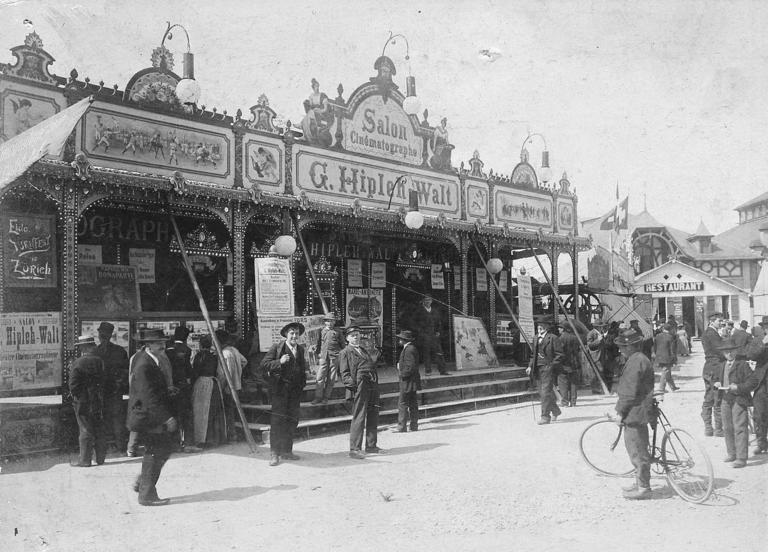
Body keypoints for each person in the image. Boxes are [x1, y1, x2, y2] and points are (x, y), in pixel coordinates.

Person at [127, 328, 177, 506]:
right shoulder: (144, 364)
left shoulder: (149, 360)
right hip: (149, 417)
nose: (162, 345)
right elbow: (148, 397)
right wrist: (167, 418)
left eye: (163, 342)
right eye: (158, 343)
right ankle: (146, 494)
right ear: (148, 345)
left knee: (160, 450)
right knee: (156, 452)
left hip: (148, 415)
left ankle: (143, 485)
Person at [609, 329, 655, 500]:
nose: (620, 350)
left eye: (623, 346)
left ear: (631, 347)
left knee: (637, 450)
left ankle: (644, 487)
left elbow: (629, 392)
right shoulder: (640, 359)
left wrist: (619, 412)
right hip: (640, 409)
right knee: (638, 448)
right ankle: (639, 481)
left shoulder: (635, 362)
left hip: (636, 412)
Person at [261, 322, 307, 466]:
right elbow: (263, 364)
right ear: (286, 334)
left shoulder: (300, 349)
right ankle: (274, 453)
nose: (294, 336)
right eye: (292, 333)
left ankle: (287, 451)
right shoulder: (277, 347)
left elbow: (301, 367)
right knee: (277, 422)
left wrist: (302, 383)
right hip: (280, 391)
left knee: (292, 420)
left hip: (294, 392)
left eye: (297, 333)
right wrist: (279, 362)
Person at [715, 338, 761, 468]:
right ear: (723, 353)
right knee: (727, 427)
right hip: (725, 399)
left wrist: (739, 388)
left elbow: (753, 381)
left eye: (731, 351)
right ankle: (732, 453)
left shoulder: (742, 365)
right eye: (726, 352)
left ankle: (741, 458)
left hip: (738, 400)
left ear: (735, 351)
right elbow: (715, 379)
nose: (729, 354)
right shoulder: (721, 365)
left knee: (740, 427)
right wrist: (716, 384)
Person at [339, 326, 382, 459]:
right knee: (359, 416)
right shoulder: (345, 352)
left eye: (357, 334)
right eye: (352, 335)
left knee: (373, 413)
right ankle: (355, 449)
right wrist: (355, 387)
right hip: (359, 387)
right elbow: (344, 374)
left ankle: (371, 445)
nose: (356, 337)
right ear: (347, 338)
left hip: (371, 385)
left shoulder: (363, 350)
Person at [69, 335, 108, 467]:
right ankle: (100, 458)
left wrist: (77, 396)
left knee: (85, 428)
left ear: (83, 347)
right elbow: (104, 380)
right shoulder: (99, 361)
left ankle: (85, 460)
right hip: (98, 399)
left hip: (83, 401)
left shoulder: (78, 362)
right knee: (99, 428)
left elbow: (73, 385)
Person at [93, 322, 129, 454]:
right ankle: (121, 448)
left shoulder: (95, 352)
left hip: (100, 392)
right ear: (111, 335)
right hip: (116, 391)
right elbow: (126, 372)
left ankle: (102, 450)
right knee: (118, 420)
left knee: (101, 420)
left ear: (99, 335)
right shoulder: (120, 351)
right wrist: (119, 384)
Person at [166, 326, 200, 452]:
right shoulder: (186, 350)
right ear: (186, 337)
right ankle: (188, 443)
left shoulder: (168, 349)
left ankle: (174, 444)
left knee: (173, 414)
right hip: (182, 386)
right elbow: (188, 370)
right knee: (186, 415)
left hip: (170, 386)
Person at [190, 334, 227, 448]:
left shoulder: (198, 356)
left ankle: (202, 439)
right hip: (213, 383)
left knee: (201, 413)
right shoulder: (214, 356)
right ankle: (215, 439)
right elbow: (220, 373)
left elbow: (195, 371)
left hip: (201, 383)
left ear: (200, 345)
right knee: (213, 411)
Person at [527, 315, 563, 425]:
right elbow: (533, 355)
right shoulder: (535, 338)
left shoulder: (553, 338)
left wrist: (551, 365)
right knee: (543, 392)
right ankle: (556, 411)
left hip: (548, 368)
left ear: (547, 327)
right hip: (537, 369)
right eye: (538, 326)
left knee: (545, 392)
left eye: (542, 326)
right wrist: (529, 366)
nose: (539, 327)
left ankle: (545, 417)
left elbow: (560, 354)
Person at [216, 329, 247, 443]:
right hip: (237, 385)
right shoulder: (234, 350)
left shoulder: (224, 353)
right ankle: (236, 434)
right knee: (234, 410)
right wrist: (238, 372)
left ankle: (232, 435)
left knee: (228, 412)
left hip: (228, 388)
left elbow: (224, 374)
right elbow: (244, 361)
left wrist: (220, 386)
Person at [746, 316, 768, 455]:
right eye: (766, 326)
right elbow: (751, 355)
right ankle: (762, 443)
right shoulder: (758, 340)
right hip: (762, 383)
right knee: (759, 414)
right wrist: (764, 344)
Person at [312, 314, 345, 404]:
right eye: (327, 321)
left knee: (331, 379)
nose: (329, 323)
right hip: (323, 357)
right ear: (325, 322)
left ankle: (326, 397)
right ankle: (318, 397)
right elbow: (318, 343)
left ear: (334, 322)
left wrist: (341, 355)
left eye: (332, 321)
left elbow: (343, 345)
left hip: (334, 357)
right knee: (320, 378)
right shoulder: (321, 331)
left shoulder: (338, 331)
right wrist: (317, 353)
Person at [701, 312, 726, 437]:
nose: (721, 323)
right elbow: (720, 350)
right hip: (715, 369)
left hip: (708, 368)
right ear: (712, 321)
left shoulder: (708, 332)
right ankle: (718, 429)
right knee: (717, 398)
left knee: (709, 397)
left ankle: (708, 428)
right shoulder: (712, 334)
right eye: (719, 321)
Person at [412, 295, 450, 376]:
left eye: (429, 300)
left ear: (432, 301)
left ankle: (442, 370)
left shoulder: (435, 311)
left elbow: (439, 323)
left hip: (434, 335)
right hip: (424, 335)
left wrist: (438, 331)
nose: (427, 302)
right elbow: (414, 323)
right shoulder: (419, 311)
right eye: (426, 300)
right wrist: (420, 332)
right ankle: (428, 370)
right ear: (423, 301)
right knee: (426, 353)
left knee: (439, 352)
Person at [393, 330, 421, 433]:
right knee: (413, 403)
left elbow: (410, 366)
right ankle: (414, 426)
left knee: (403, 403)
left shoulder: (408, 350)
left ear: (404, 340)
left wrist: (401, 372)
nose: (399, 340)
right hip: (412, 381)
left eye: (400, 338)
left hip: (407, 381)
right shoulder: (410, 348)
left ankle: (402, 427)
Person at [557, 324, 581, 407]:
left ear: (563, 329)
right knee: (573, 382)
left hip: (564, 364)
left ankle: (565, 402)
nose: (558, 329)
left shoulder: (560, 339)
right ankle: (573, 402)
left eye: (560, 328)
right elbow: (577, 350)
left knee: (563, 382)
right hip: (574, 363)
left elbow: (559, 352)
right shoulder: (574, 337)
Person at [653, 324, 679, 393]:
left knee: (668, 372)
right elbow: (672, 349)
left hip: (659, 356)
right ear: (670, 329)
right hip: (667, 357)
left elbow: (655, 347)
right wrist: (674, 358)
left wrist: (656, 354)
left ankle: (673, 387)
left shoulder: (657, 336)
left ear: (663, 329)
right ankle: (661, 388)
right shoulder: (670, 337)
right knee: (665, 372)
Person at [586, 320, 608, 393]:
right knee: (595, 373)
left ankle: (600, 389)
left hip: (601, 355)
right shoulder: (591, 333)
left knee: (601, 372)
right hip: (595, 356)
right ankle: (595, 390)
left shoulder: (600, 333)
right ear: (597, 327)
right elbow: (590, 345)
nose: (602, 328)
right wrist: (598, 340)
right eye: (601, 327)